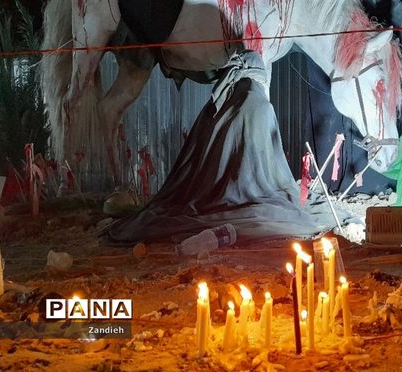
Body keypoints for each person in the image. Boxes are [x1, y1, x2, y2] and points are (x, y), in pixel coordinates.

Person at [106, 50, 338, 245]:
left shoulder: (215, 108)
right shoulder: (262, 106)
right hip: (262, 193)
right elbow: (274, 163)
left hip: (205, 196)